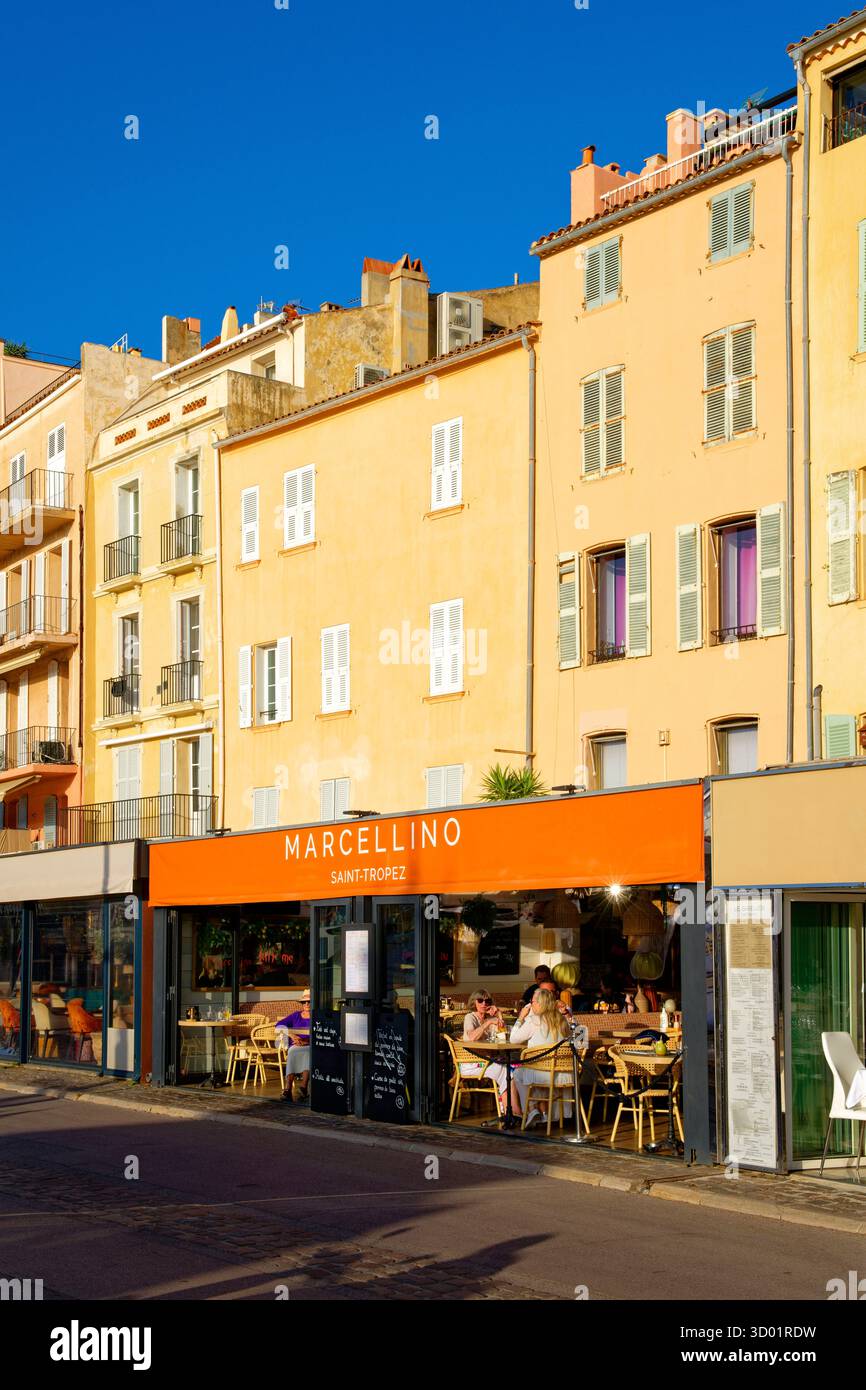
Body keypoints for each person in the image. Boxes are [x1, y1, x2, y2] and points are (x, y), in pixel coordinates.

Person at [509, 989, 571, 1128]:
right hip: (564, 1074)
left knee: (518, 1073)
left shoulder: (534, 1021)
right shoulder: (562, 1020)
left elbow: (513, 1039)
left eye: (532, 1002)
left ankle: (532, 1109)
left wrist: (520, 1018)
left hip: (542, 1074)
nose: (531, 1005)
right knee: (530, 1073)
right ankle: (544, 1115)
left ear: (539, 1003)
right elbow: (576, 1039)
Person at [457, 990, 509, 1113]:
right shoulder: (470, 1017)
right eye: (480, 1000)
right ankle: (506, 1109)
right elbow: (471, 1038)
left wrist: (499, 1015)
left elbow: (503, 1037)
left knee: (513, 1069)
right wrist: (488, 1023)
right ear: (474, 1002)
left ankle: (510, 1109)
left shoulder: (488, 1018)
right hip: (472, 1063)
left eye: (488, 1001)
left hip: (487, 1062)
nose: (484, 1003)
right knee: (504, 1070)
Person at [277, 989, 311, 1101]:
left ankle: (303, 1087)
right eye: (304, 1002)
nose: (306, 1004)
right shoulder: (296, 1015)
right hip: (295, 1045)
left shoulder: (316, 1016)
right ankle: (288, 1089)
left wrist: (306, 1042)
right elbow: (279, 1025)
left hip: (310, 1045)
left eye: (309, 1001)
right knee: (292, 1052)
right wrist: (291, 1035)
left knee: (309, 1052)